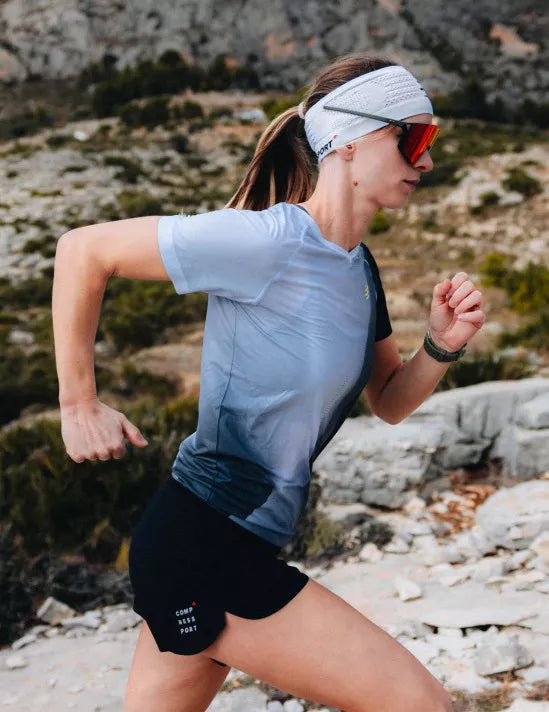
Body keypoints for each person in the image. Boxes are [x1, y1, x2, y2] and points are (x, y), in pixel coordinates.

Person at [52, 51, 485, 712]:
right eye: (415, 138)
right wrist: (78, 401)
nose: (425, 161)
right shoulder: (267, 242)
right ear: (349, 139)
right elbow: (84, 248)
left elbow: (388, 401)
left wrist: (440, 345)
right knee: (420, 705)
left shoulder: (356, 267)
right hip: (204, 544)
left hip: (221, 543)